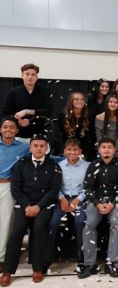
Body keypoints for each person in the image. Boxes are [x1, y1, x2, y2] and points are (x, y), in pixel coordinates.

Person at [0, 135, 61, 286]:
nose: (39, 148)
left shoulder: (53, 165)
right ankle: (7, 271)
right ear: (30, 147)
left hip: (44, 205)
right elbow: (15, 188)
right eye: (36, 145)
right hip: (24, 205)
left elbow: (54, 191)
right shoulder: (21, 164)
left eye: (42, 146)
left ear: (46, 148)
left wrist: (38, 206)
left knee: (39, 228)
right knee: (16, 232)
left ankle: (37, 268)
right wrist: (27, 205)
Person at [79, 138, 118, 279]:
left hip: (115, 202)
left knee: (116, 224)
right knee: (89, 225)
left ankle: (111, 263)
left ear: (114, 150)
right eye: (103, 147)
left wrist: (112, 204)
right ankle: (90, 264)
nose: (106, 150)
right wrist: (97, 203)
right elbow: (87, 188)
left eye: (109, 147)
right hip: (96, 202)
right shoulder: (93, 165)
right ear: (99, 150)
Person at [46, 138, 90, 271]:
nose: (72, 152)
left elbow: (89, 187)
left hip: (79, 199)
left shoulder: (87, 166)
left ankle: (82, 258)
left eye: (75, 149)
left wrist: (78, 200)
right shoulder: (58, 166)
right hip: (63, 199)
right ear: (64, 151)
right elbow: (53, 185)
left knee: (80, 222)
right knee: (53, 223)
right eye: (69, 149)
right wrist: (61, 198)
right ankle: (47, 258)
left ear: (80, 151)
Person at [0, 118, 29, 275]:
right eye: (5, 127)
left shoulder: (23, 147)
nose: (8, 130)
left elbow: (40, 155)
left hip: (8, 186)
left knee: (5, 223)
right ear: (0, 129)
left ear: (17, 130)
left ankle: (2, 259)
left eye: (12, 127)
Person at [2, 63, 53, 141]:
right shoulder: (13, 92)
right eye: (27, 74)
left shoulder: (44, 91)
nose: (30, 77)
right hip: (18, 136)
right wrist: (18, 121)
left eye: (33, 74)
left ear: (36, 77)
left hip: (39, 136)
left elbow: (49, 111)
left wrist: (28, 111)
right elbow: (5, 113)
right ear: (22, 76)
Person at [58, 92, 95, 160]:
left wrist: (85, 153)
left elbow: (91, 135)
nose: (80, 101)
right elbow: (61, 135)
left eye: (82, 99)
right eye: (76, 99)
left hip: (85, 149)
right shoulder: (63, 115)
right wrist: (65, 150)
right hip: (68, 148)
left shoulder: (90, 114)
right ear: (71, 101)